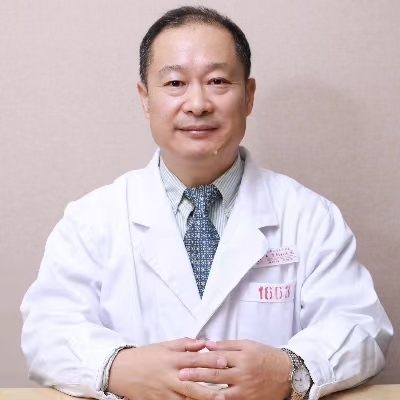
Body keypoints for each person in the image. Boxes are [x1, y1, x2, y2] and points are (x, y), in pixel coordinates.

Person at [20, 6, 393, 400]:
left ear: (248, 96)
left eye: (217, 81)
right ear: (145, 98)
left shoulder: (310, 216)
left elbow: (361, 326)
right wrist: (117, 366)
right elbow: (48, 331)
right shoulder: (91, 218)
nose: (197, 104)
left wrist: (290, 369)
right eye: (175, 83)